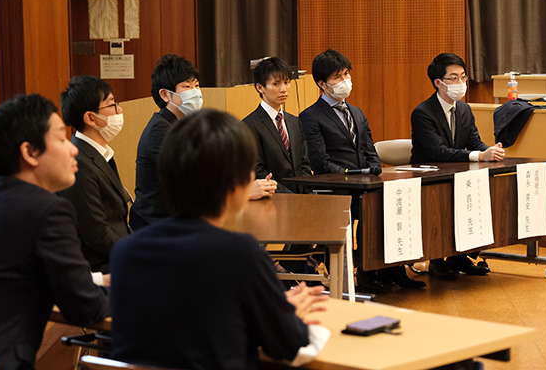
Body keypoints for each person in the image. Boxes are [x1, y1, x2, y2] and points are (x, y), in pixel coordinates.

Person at [110, 109, 329, 370]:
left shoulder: (126, 251)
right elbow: (287, 343)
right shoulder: (240, 253)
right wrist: (284, 313)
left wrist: (274, 311)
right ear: (236, 185)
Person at [0, 94, 110, 370]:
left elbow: (18, 276)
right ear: (30, 152)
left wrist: (94, 281)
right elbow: (84, 307)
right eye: (61, 139)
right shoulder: (46, 210)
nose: (73, 149)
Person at [300, 49, 424, 291]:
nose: (345, 81)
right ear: (322, 84)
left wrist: (374, 166)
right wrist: (354, 176)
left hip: (365, 183)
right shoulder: (310, 116)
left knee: (395, 200)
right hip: (338, 187)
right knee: (370, 206)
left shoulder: (356, 112)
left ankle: (392, 267)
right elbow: (320, 162)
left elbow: (369, 147)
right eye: (337, 77)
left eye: (347, 74)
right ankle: (366, 272)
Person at [129, 54, 276, 230]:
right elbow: (193, 181)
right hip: (159, 224)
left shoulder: (185, 124)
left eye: (197, 86)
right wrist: (244, 191)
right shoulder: (160, 130)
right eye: (187, 87)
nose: (195, 92)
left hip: (183, 217)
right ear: (165, 94)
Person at [411, 52, 505, 279]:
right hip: (428, 177)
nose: (461, 82)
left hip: (458, 174)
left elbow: (474, 142)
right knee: (441, 201)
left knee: (482, 195)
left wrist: (491, 151)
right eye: (453, 78)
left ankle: (461, 257)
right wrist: (479, 156)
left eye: (463, 76)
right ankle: (436, 260)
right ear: (438, 82)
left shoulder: (464, 109)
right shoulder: (422, 112)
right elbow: (438, 152)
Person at [58, 76, 131, 274]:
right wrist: (135, 253)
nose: (119, 110)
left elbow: (117, 220)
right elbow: (96, 234)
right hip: (102, 266)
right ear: (90, 118)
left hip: (118, 254)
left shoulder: (99, 153)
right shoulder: (78, 163)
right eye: (112, 104)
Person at [243, 57, 312, 193]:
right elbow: (258, 171)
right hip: (273, 197)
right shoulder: (249, 125)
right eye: (276, 84)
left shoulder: (294, 121)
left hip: (302, 197)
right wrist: (290, 196)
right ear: (260, 87)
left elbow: (304, 164)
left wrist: (305, 194)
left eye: (286, 83)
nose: (283, 89)